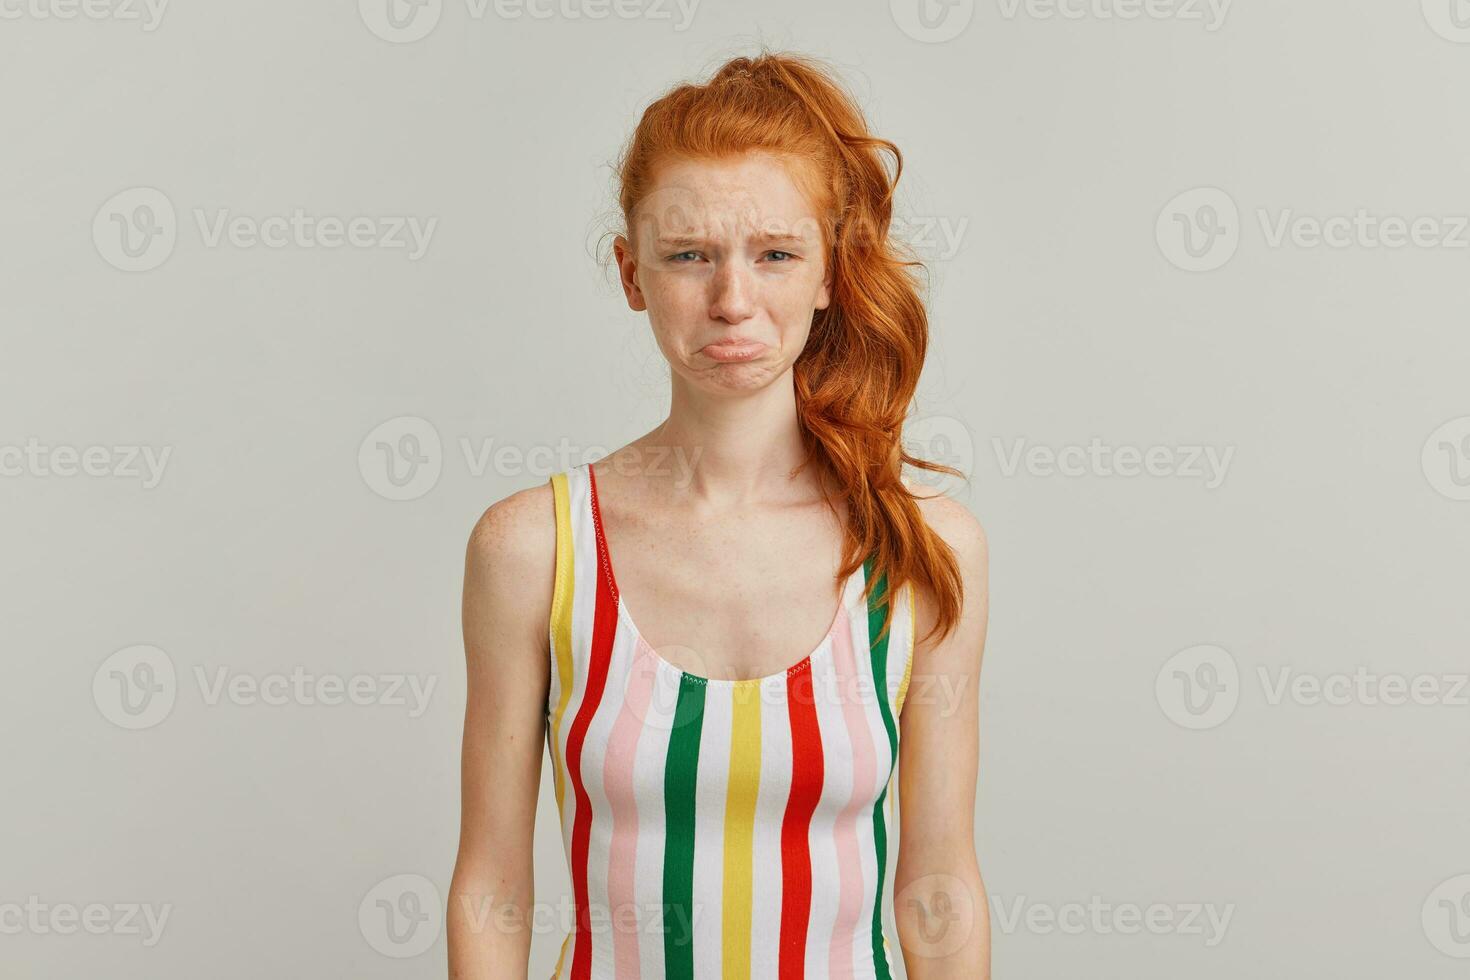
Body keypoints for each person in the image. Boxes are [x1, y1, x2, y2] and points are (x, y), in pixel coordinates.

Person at [449, 50, 990, 979]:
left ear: (829, 272)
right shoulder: (534, 547)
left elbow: (937, 892)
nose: (733, 300)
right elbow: (492, 888)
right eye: (689, 255)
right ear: (631, 274)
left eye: (776, 255)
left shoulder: (922, 549)